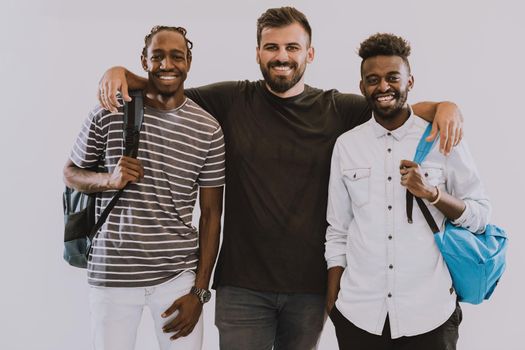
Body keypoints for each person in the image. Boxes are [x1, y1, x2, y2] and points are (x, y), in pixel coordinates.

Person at [96, 7, 463, 350]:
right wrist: (123, 73)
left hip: (309, 288)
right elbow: (167, 90)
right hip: (241, 286)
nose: (282, 56)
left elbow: (390, 103)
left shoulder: (336, 108)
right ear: (258, 52)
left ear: (310, 54)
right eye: (271, 47)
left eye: (292, 47)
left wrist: (446, 108)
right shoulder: (231, 99)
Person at [63, 26, 225, 350]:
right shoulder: (110, 112)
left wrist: (199, 292)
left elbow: (211, 216)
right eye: (158, 57)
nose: (167, 64)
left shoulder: (208, 129)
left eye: (176, 56)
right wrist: (109, 180)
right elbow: (70, 173)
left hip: (177, 279)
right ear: (144, 61)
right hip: (112, 275)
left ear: (189, 62)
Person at [324, 33, 490, 350]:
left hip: (430, 316)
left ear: (410, 82)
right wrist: (334, 300)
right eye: (373, 79)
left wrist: (433, 194)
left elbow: (481, 215)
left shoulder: (442, 136)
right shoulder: (347, 146)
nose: (383, 87)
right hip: (359, 316)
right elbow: (338, 230)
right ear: (362, 87)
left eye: (392, 77)